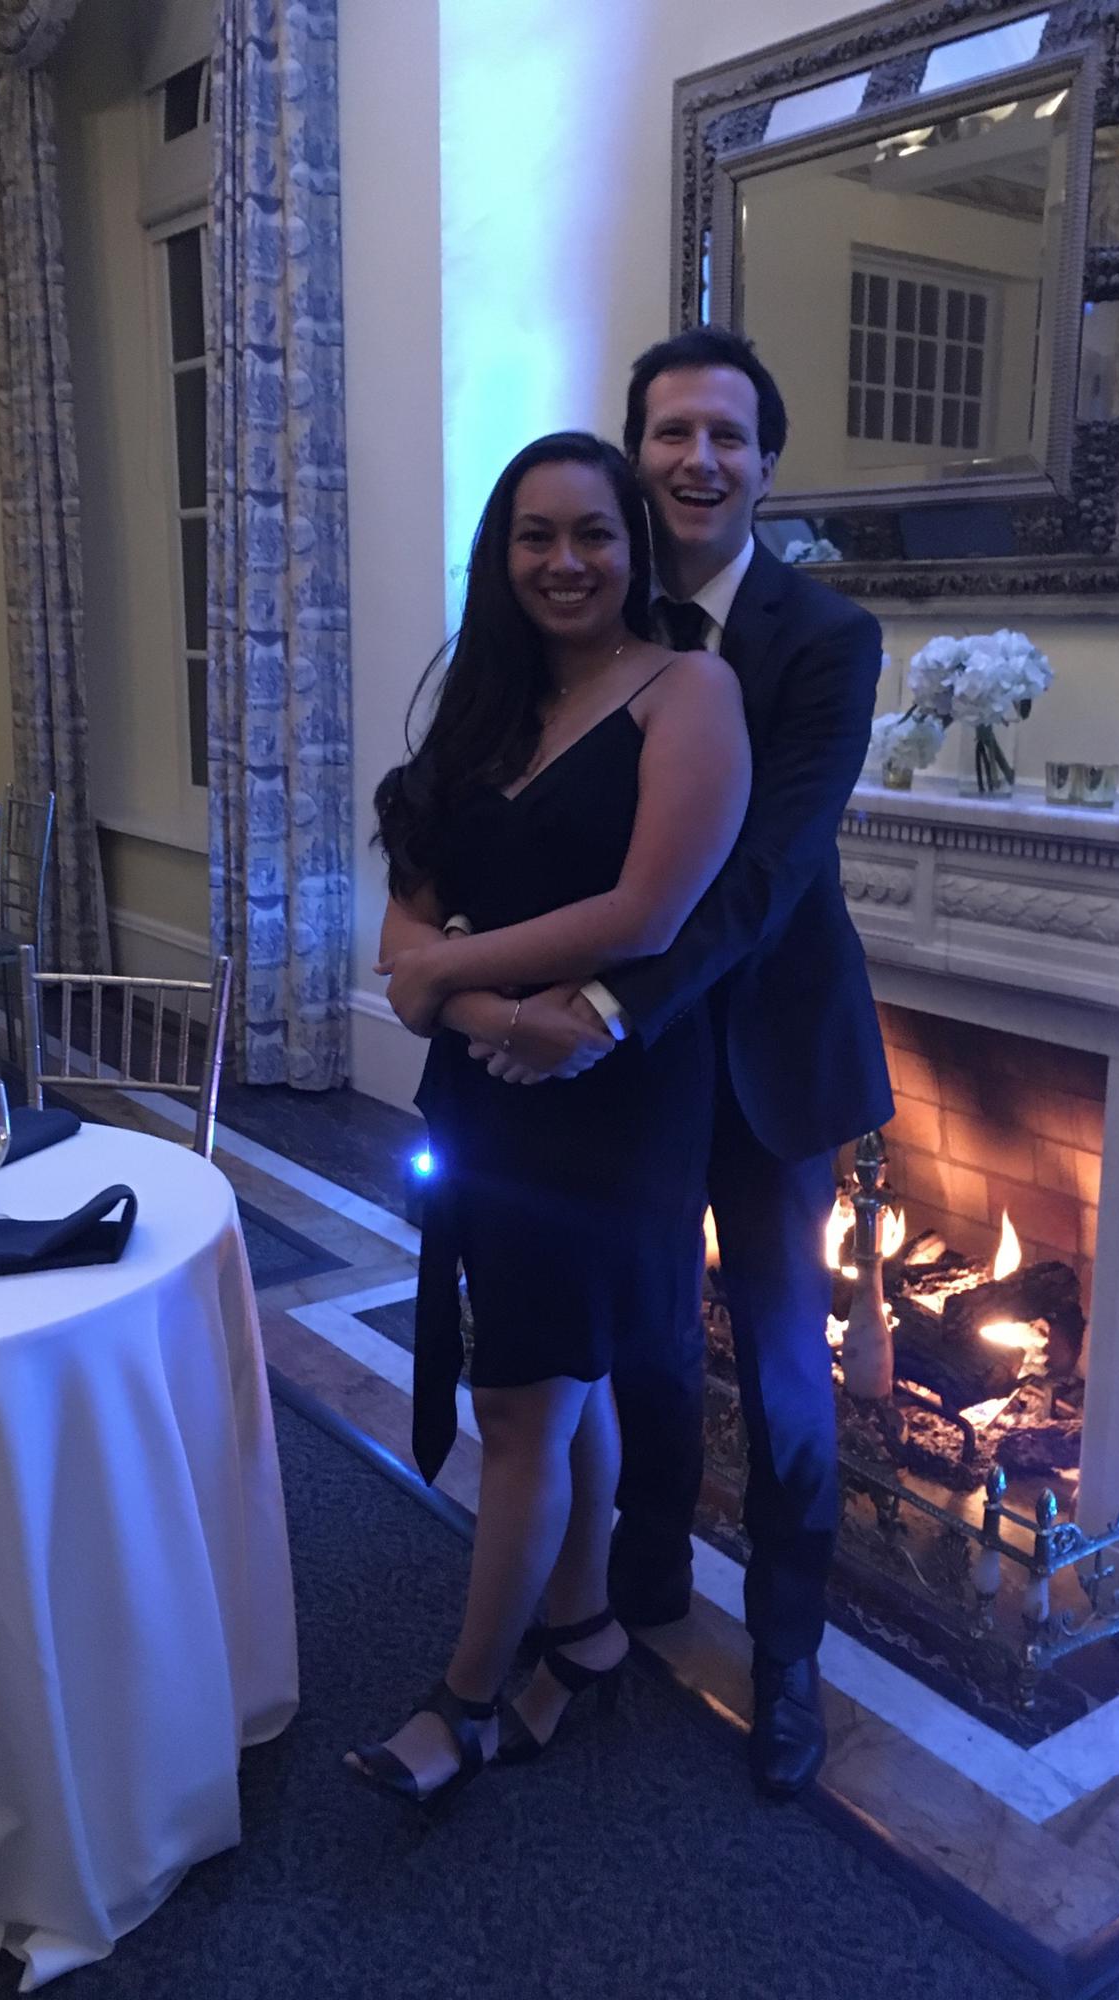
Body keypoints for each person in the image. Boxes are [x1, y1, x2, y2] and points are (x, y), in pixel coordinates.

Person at [462, 330, 893, 1799]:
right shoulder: (590, 606)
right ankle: (638, 1582)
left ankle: (788, 1658)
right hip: (631, 1074)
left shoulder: (826, 637)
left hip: (766, 1054)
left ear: (767, 461)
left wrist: (607, 1002)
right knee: (639, 1334)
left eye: (726, 434)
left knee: (779, 1369)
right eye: (670, 433)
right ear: (636, 452)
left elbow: (769, 872)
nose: (697, 459)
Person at [350, 431, 749, 1811]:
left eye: (593, 533)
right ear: (500, 555)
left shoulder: (689, 690)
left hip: (612, 1105)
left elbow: (646, 911)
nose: (565, 560)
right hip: (494, 1088)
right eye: (536, 535)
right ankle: (581, 1633)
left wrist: (450, 976)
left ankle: (463, 1701)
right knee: (560, 1387)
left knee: (522, 1401)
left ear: (636, 548)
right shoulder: (482, 708)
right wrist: (493, 1013)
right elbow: (402, 936)